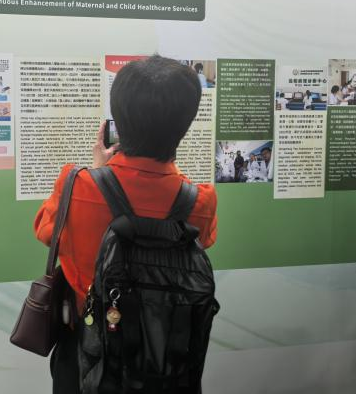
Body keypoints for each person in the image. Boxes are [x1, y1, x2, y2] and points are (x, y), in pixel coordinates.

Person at [34, 55, 218, 393]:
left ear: (118, 115)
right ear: (186, 122)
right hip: (163, 355)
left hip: (87, 349)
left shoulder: (76, 185)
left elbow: (46, 233)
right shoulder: (199, 200)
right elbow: (200, 243)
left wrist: (98, 170)